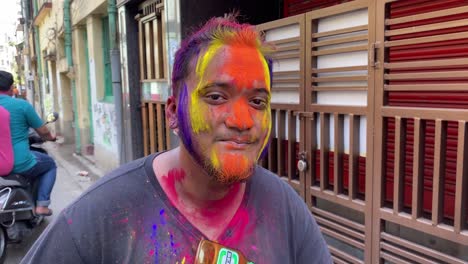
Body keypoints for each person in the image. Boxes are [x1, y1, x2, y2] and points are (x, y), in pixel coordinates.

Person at [21, 16, 332, 263]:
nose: (241, 121)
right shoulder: (100, 215)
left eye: (257, 102)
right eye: (215, 96)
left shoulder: (285, 208)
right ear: (172, 113)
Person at [0, 70, 57, 216]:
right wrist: (50, 137)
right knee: (49, 164)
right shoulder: (22, 105)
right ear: (12, 87)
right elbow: (42, 131)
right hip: (18, 162)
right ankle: (42, 205)